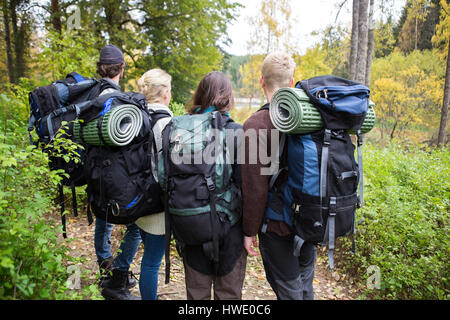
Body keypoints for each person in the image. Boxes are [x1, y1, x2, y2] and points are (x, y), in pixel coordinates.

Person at [241, 52, 317, 300]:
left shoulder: (256, 124)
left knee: (289, 292)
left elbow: (255, 187)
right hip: (309, 218)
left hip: (277, 227)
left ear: (262, 81)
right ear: (293, 81)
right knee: (305, 287)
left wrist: (249, 231)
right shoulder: (311, 118)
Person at [174, 71, 246, 300]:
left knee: (197, 294)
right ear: (228, 97)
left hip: (189, 223)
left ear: (199, 95)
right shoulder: (234, 131)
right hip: (229, 228)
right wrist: (251, 230)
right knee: (228, 293)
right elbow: (245, 184)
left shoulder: (180, 130)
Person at [93, 44, 141, 300]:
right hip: (118, 175)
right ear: (121, 68)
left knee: (103, 216)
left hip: (94, 173)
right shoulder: (121, 99)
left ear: (100, 67)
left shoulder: (90, 95)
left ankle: (105, 267)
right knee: (136, 224)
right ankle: (118, 274)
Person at [135, 68, 173, 300]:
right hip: (158, 205)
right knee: (151, 263)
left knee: (148, 257)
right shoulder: (165, 122)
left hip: (137, 198)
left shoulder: (136, 116)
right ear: (165, 93)